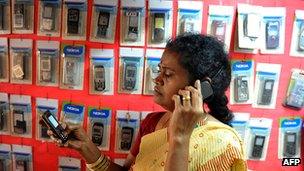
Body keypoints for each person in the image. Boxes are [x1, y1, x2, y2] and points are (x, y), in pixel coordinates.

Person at [47, 34, 247, 171]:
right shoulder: (152, 123)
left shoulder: (223, 144)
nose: (157, 79)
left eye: (167, 74)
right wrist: (87, 149)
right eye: (160, 70)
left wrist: (180, 138)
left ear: (200, 87)